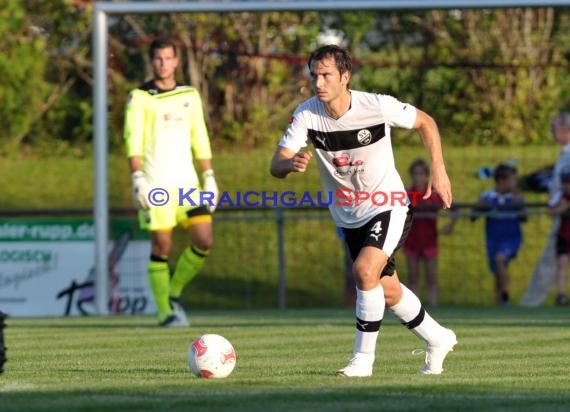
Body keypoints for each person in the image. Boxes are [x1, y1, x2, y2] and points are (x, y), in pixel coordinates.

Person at [270, 44, 457, 377]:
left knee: (364, 270)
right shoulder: (306, 114)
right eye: (315, 74)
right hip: (349, 216)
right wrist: (289, 163)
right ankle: (438, 337)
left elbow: (426, 122)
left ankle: (362, 361)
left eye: (327, 74)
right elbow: (276, 163)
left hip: (389, 205)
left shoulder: (377, 105)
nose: (319, 82)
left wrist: (438, 170)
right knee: (388, 290)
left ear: (345, 76)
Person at [123, 36, 219, 327]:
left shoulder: (189, 94)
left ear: (177, 61)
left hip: (188, 185)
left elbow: (199, 136)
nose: (163, 63)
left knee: (204, 240)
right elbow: (133, 139)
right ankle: (165, 312)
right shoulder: (139, 97)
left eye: (168, 58)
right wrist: (137, 176)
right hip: (156, 186)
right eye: (158, 58)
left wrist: (209, 176)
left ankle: (173, 292)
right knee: (162, 246)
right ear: (152, 61)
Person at [521, 112, 570, 307]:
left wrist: (562, 204)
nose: (551, 132)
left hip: (565, 214)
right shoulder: (564, 153)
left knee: (550, 262)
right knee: (555, 260)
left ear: (565, 129)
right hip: (562, 212)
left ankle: (530, 304)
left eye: (554, 128)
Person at [403, 158, 457, 307]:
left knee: (431, 279)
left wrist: (450, 225)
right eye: (415, 174)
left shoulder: (433, 195)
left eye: (421, 174)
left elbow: (454, 206)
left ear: (426, 175)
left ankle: (434, 308)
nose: (418, 177)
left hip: (429, 241)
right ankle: (413, 310)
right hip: (411, 241)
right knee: (413, 278)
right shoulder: (407, 194)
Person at [471, 164, 527, 306]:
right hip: (493, 238)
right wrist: (479, 207)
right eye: (511, 179)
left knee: (499, 259)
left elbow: (525, 217)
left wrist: (518, 204)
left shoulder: (516, 197)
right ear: (502, 181)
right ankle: (500, 305)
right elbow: (473, 216)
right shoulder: (487, 196)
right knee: (498, 271)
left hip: (511, 237)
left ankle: (505, 294)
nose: (514, 183)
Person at [547, 168, 570, 305]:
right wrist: (562, 208)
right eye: (564, 183)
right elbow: (550, 211)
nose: (566, 186)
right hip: (564, 234)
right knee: (561, 263)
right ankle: (561, 294)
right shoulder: (560, 196)